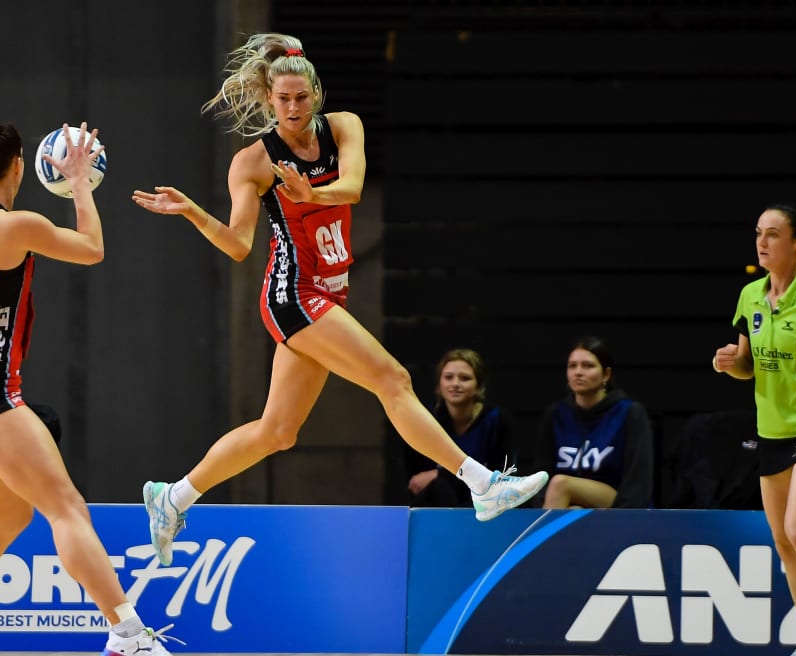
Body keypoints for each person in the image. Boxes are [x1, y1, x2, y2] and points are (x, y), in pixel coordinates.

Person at [132, 33, 548, 566]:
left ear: (316, 94)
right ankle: (481, 483)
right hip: (292, 294)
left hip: (329, 293)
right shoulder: (253, 162)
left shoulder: (344, 126)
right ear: (267, 99)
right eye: (282, 99)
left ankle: (173, 498)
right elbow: (238, 246)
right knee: (393, 378)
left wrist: (312, 195)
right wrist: (193, 212)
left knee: (278, 431)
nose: (292, 108)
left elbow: (351, 187)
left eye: (301, 98)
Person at [0, 103, 176, 656]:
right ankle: (127, 634)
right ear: (21, 166)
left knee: (8, 513)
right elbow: (92, 249)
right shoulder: (14, 225)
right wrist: (79, 184)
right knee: (65, 507)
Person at [713, 202, 796, 656]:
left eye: (773, 234)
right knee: (785, 544)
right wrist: (730, 364)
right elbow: (748, 365)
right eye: (758, 234)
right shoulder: (750, 295)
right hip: (771, 430)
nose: (762, 243)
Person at [537, 336, 654, 509]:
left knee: (560, 483)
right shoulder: (555, 414)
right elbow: (541, 475)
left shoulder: (629, 412)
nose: (578, 372)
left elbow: (637, 481)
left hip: (613, 501)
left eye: (588, 366)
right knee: (562, 495)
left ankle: (543, 535)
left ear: (606, 374)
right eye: (572, 366)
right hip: (563, 503)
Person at [405, 349, 514, 508]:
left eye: (464, 378)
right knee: (439, 488)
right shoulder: (426, 420)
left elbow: (502, 478)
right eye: (448, 377)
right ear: (439, 384)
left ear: (479, 386)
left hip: (484, 506)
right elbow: (417, 481)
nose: (455, 384)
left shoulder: (497, 420)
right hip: (436, 506)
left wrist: (440, 474)